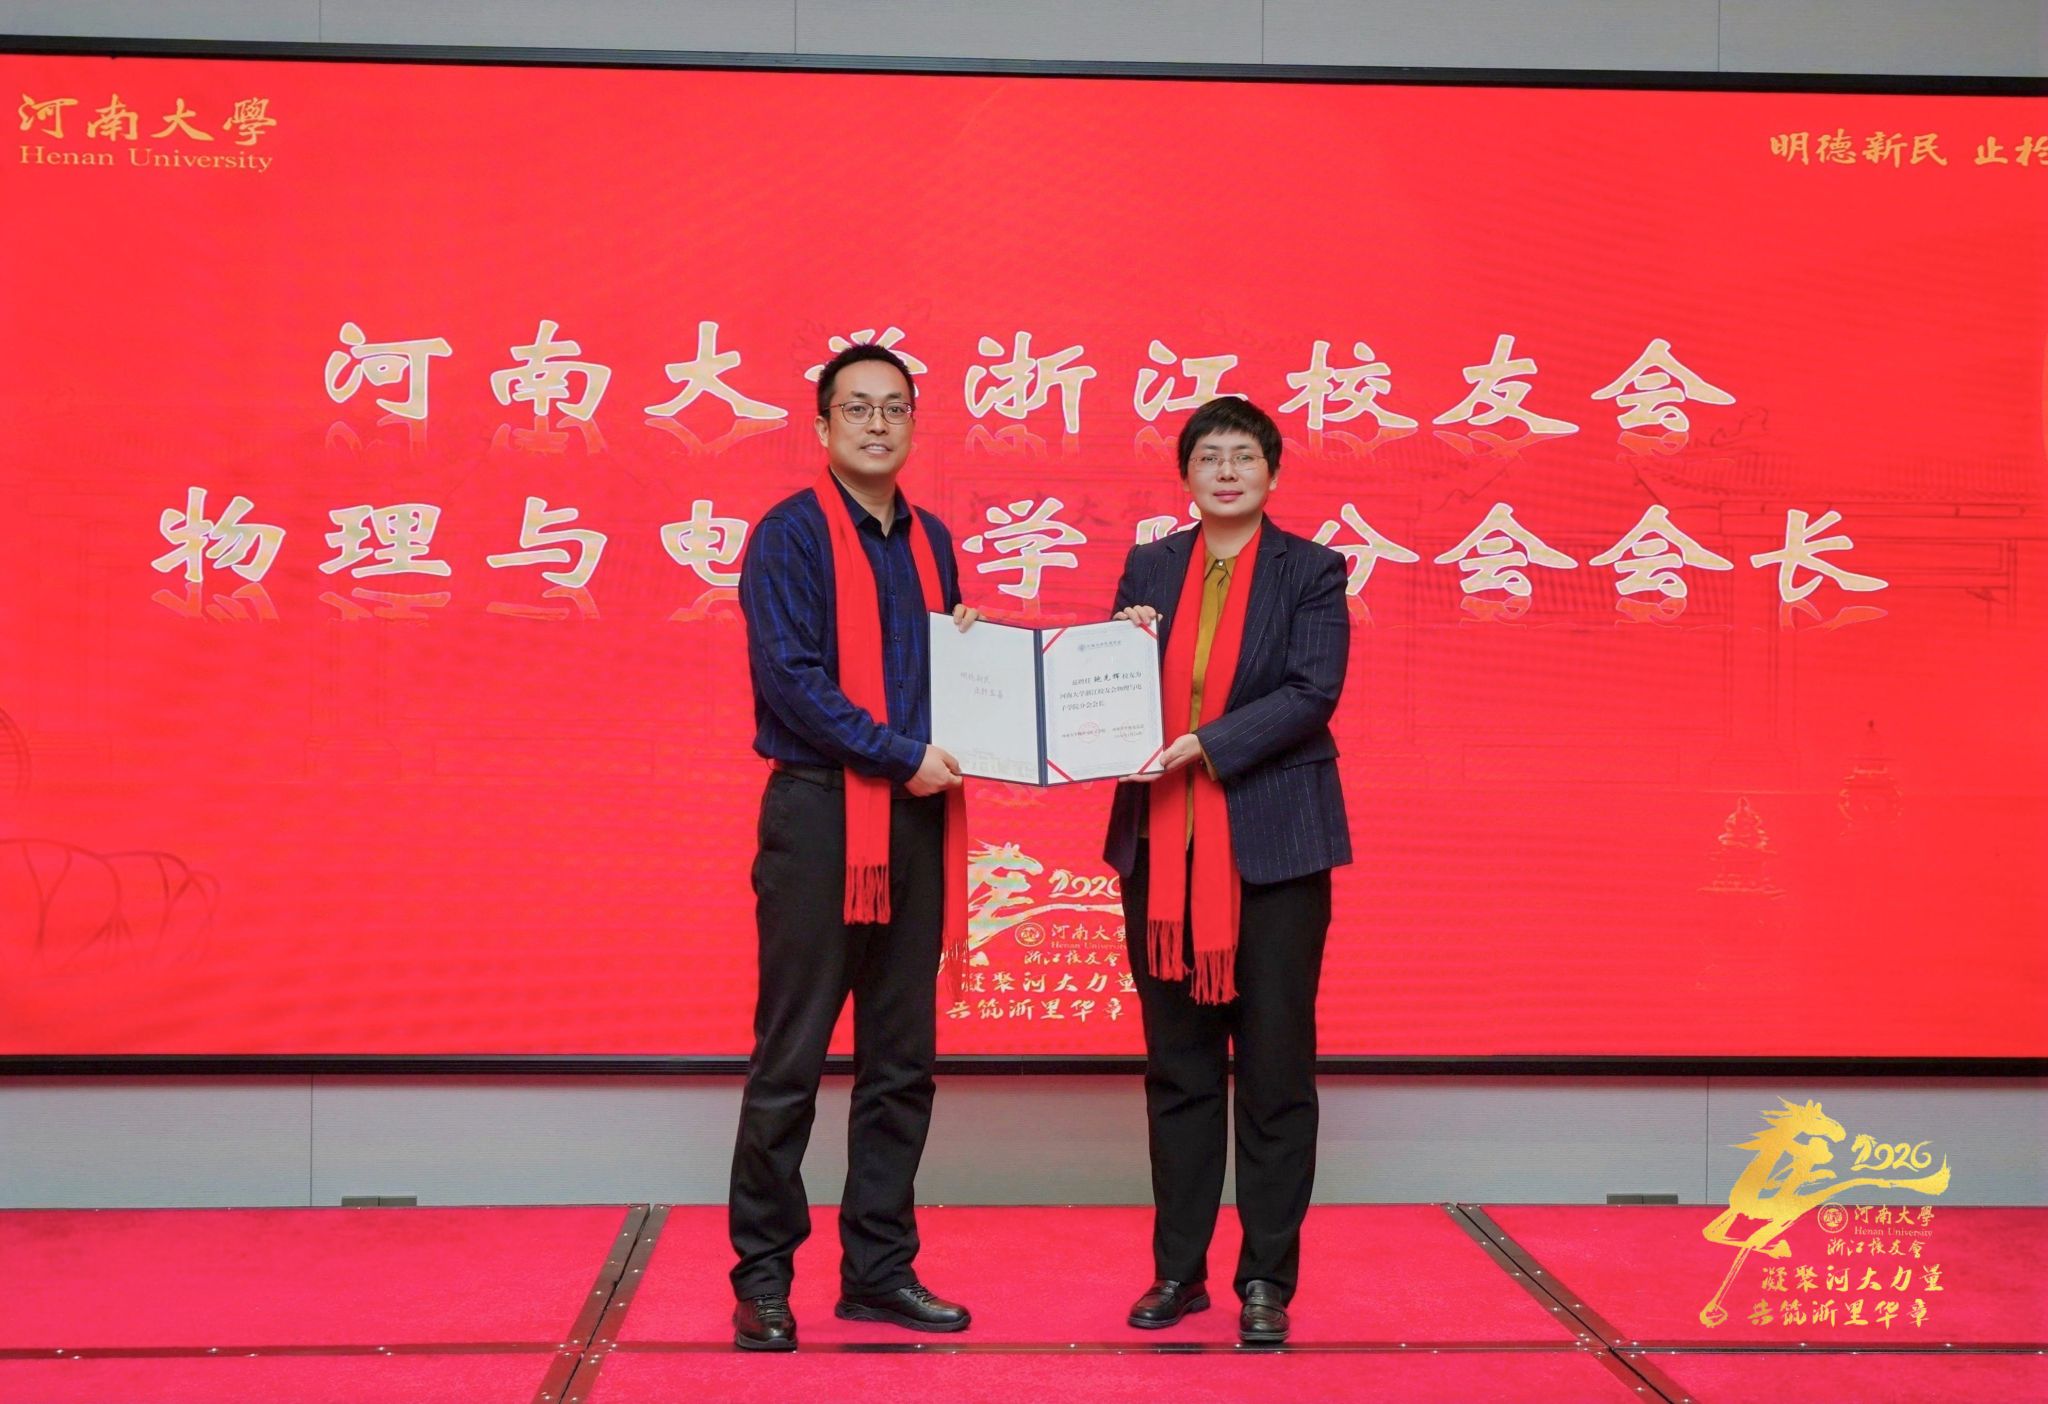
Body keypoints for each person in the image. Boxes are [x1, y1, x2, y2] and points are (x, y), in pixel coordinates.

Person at [727, 342, 977, 1351]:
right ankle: (762, 1277)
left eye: (895, 408)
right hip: (821, 816)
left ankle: (878, 1271)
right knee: (790, 1059)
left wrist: (985, 674)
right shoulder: (789, 535)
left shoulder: (932, 542)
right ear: (823, 426)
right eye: (858, 408)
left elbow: (945, 677)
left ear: (913, 423)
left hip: (913, 820)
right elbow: (792, 682)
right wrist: (900, 753)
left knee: (901, 1062)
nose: (878, 424)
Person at [1104, 396, 1351, 1346]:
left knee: (1276, 1073)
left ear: (1272, 473)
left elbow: (1311, 692)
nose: (1227, 472)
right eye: (1209, 457)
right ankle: (1178, 1272)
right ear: (1186, 476)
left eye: (1244, 457)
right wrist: (1123, 641)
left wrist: (1208, 743)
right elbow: (1106, 694)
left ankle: (1266, 1281)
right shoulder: (1150, 567)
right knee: (1179, 1069)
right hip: (1163, 849)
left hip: (1276, 846)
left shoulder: (1312, 570)